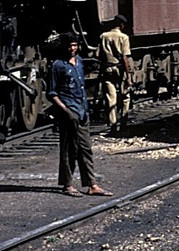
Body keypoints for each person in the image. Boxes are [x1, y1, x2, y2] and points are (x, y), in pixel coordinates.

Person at [47, 33, 111, 197]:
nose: (72, 49)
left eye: (75, 45)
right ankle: (67, 185)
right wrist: (66, 111)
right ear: (64, 47)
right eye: (70, 46)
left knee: (86, 148)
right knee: (69, 149)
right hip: (68, 111)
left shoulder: (80, 62)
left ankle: (91, 184)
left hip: (82, 111)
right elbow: (52, 93)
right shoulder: (57, 65)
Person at [98, 15, 133, 134]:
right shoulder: (124, 37)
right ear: (122, 25)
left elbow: (99, 55)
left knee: (110, 98)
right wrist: (128, 76)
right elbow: (125, 57)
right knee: (125, 97)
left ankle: (113, 125)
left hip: (107, 68)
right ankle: (123, 124)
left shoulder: (103, 36)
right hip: (120, 69)